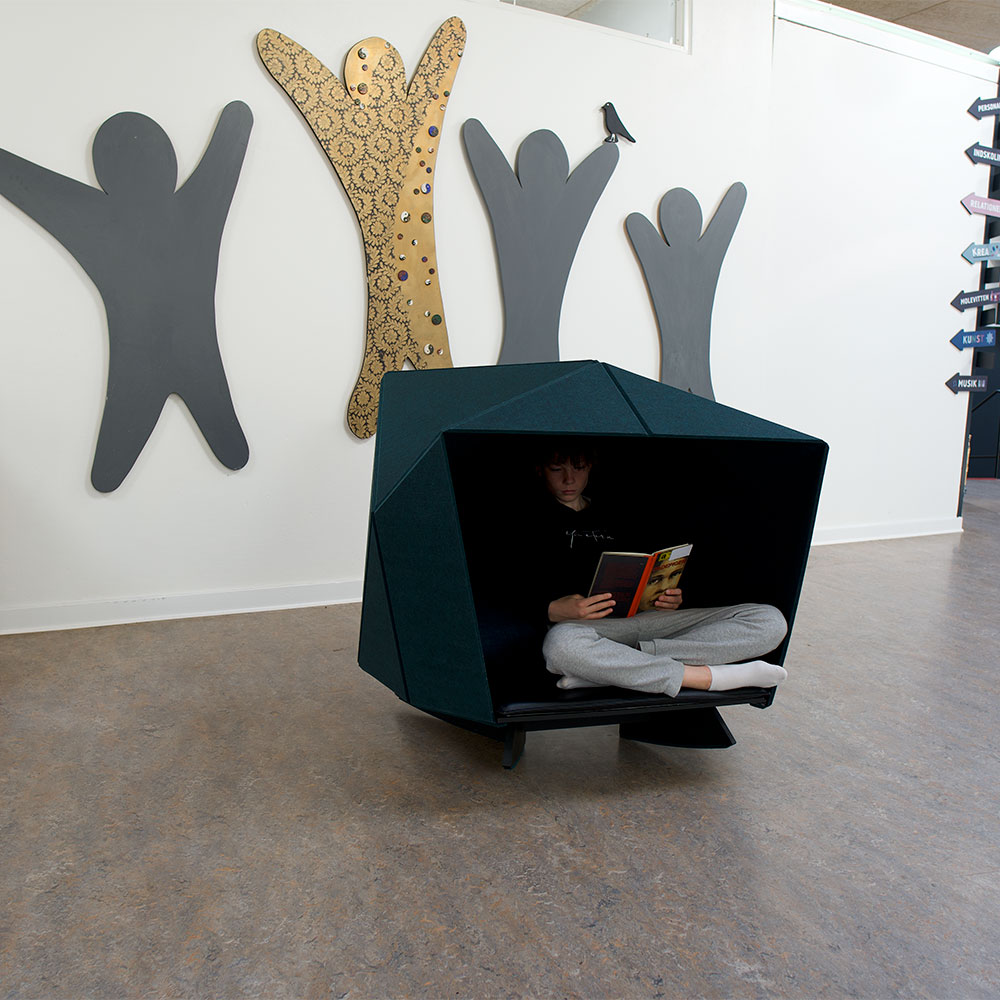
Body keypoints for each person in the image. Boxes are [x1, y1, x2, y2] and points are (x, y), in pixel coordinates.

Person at [531, 442, 789, 695]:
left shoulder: (617, 511)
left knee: (769, 621)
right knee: (561, 646)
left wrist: (670, 596)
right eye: (557, 469)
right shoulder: (525, 518)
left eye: (578, 468)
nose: (569, 479)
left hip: (651, 619)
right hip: (589, 628)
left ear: (589, 467)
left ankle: (607, 671)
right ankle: (707, 677)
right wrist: (550, 608)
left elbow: (649, 564)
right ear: (540, 470)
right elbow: (510, 591)